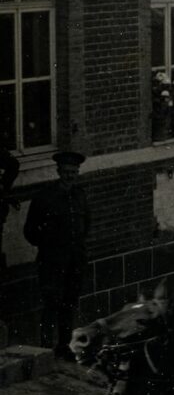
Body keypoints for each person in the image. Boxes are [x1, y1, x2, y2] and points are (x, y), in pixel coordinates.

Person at [23, 150, 90, 357]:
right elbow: (30, 231)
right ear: (59, 171)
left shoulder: (80, 196)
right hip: (51, 262)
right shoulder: (45, 197)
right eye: (66, 171)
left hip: (75, 261)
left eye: (73, 172)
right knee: (50, 305)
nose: (70, 175)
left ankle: (63, 347)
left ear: (77, 172)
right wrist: (50, 246)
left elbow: (85, 225)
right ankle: (45, 350)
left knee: (68, 305)